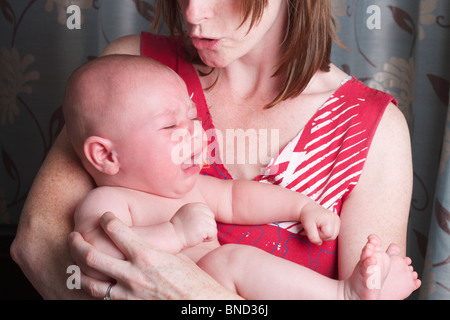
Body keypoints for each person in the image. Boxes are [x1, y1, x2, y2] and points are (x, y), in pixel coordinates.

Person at [11, 0, 418, 299]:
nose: (192, 13)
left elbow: (235, 199)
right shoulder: (130, 78)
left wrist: (198, 300)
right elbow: (38, 243)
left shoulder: (374, 131)